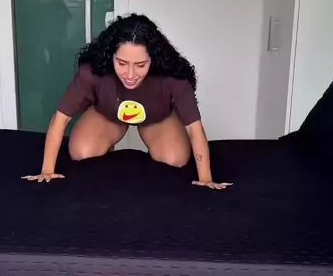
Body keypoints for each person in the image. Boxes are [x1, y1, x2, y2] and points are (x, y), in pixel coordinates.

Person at [23, 14, 231, 190]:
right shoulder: (92, 73)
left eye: (140, 65)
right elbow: (60, 119)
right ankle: (106, 146)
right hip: (107, 114)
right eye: (122, 63)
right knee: (82, 152)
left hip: (158, 117)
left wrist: (206, 179)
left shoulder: (173, 78)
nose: (130, 75)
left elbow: (195, 130)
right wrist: (47, 170)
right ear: (110, 55)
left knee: (174, 159)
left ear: (153, 59)